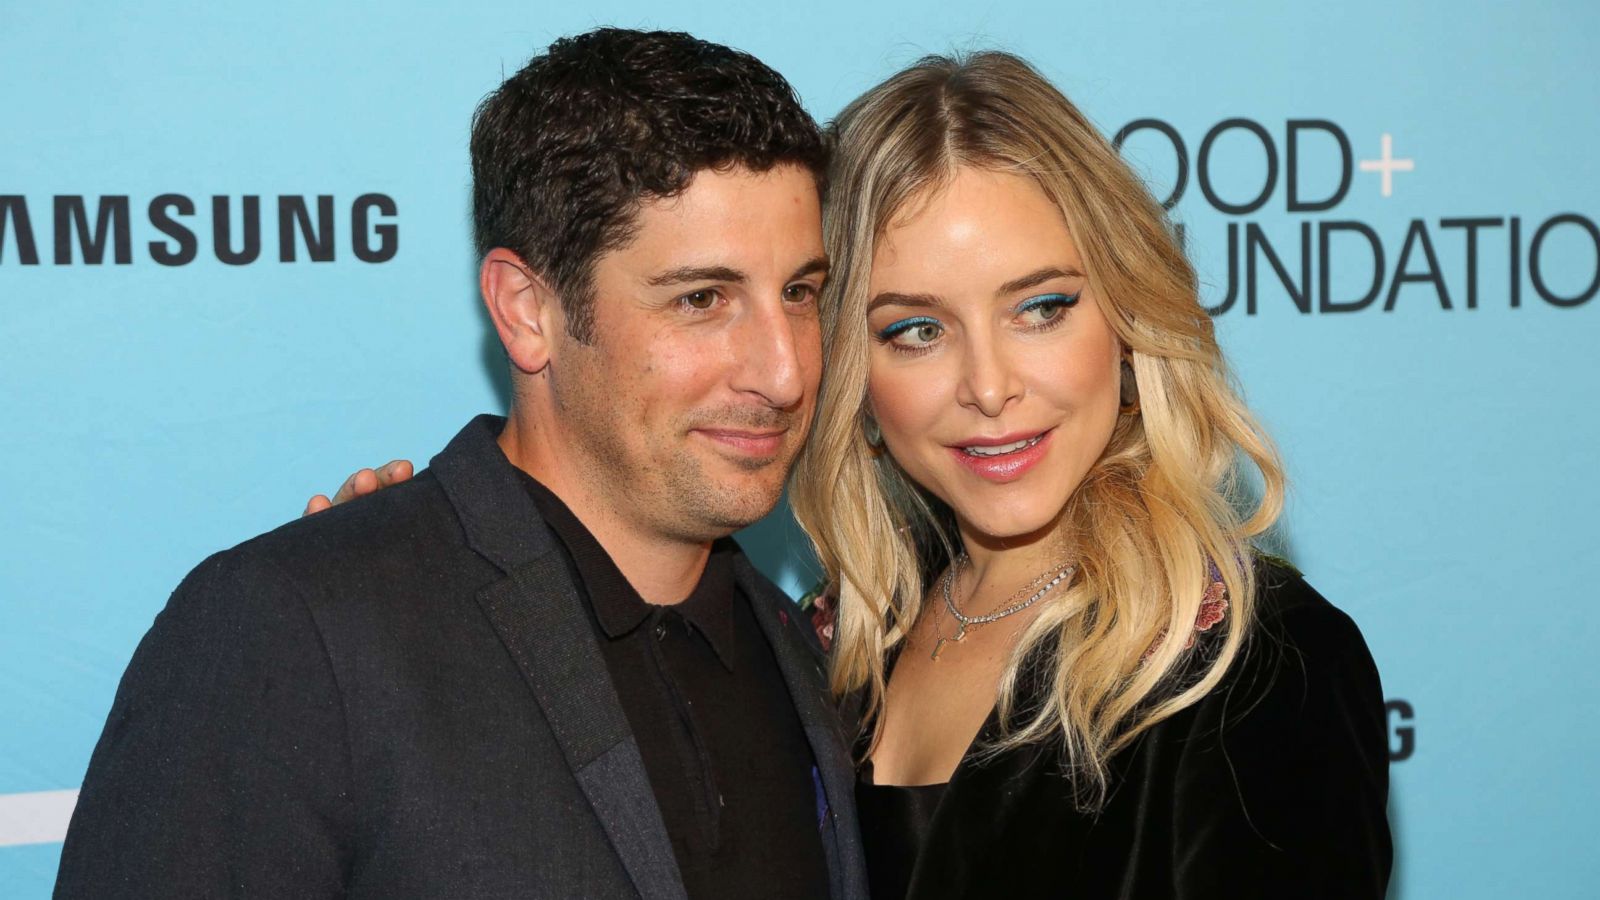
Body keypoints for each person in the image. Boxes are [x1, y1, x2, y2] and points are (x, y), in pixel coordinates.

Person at [317, 51, 1391, 900]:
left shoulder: (1248, 667)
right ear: (847, 373)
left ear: (1125, 319)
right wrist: (418, 591)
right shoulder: (820, 653)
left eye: (1042, 307)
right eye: (915, 329)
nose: (987, 386)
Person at [56, 29, 868, 900]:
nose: (784, 372)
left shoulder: (805, 653)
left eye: (799, 293)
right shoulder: (298, 636)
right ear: (527, 311)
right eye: (702, 300)